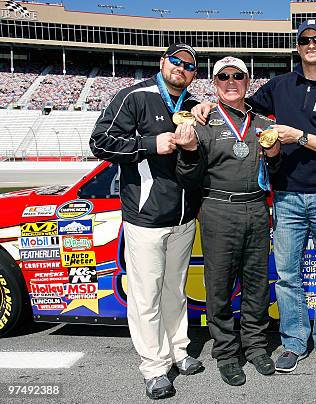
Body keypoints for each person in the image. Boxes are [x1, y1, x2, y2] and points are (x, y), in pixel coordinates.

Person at [192, 19, 316, 373]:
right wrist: (202, 105)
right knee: (286, 275)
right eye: (304, 40)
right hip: (286, 195)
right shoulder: (279, 85)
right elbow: (237, 104)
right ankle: (295, 341)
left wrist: (300, 136)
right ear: (297, 47)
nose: (311, 44)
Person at [90, 43, 203, 400]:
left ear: (193, 74)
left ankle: (178, 351)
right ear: (162, 62)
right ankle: (154, 367)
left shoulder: (191, 106)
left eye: (188, 65)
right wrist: (151, 144)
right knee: (146, 296)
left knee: (175, 290)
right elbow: (101, 142)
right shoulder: (135, 96)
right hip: (146, 217)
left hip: (184, 217)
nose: (181, 68)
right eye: (176, 61)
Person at [175, 56, 281, 386]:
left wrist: (276, 157)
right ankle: (225, 352)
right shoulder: (201, 122)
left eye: (238, 75)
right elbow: (186, 176)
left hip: (256, 210)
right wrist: (190, 151)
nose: (231, 81)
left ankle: (256, 346)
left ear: (248, 82)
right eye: (224, 76)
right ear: (215, 82)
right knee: (219, 288)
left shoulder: (264, 123)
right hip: (218, 209)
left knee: (256, 286)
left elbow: (275, 174)